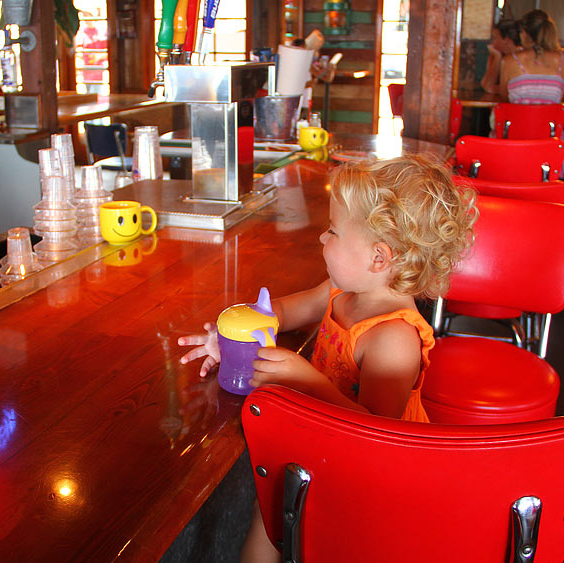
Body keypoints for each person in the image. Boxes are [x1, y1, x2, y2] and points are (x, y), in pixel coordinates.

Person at [178, 155, 478, 562]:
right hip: (318, 439)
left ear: (378, 257)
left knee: (326, 536)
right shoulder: (341, 291)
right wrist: (235, 337)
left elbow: (376, 435)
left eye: (333, 231)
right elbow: (280, 312)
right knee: (268, 516)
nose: (322, 239)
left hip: (371, 475)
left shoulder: (394, 337)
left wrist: (306, 381)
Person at [499, 9, 564, 104]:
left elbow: (505, 97)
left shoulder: (510, 60)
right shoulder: (563, 58)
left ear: (524, 32)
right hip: (550, 118)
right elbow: (560, 97)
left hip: (517, 118)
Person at [481, 20, 521, 94]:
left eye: (495, 38)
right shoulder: (496, 54)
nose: (492, 43)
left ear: (506, 40)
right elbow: (487, 86)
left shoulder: (522, 57)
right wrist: (497, 58)